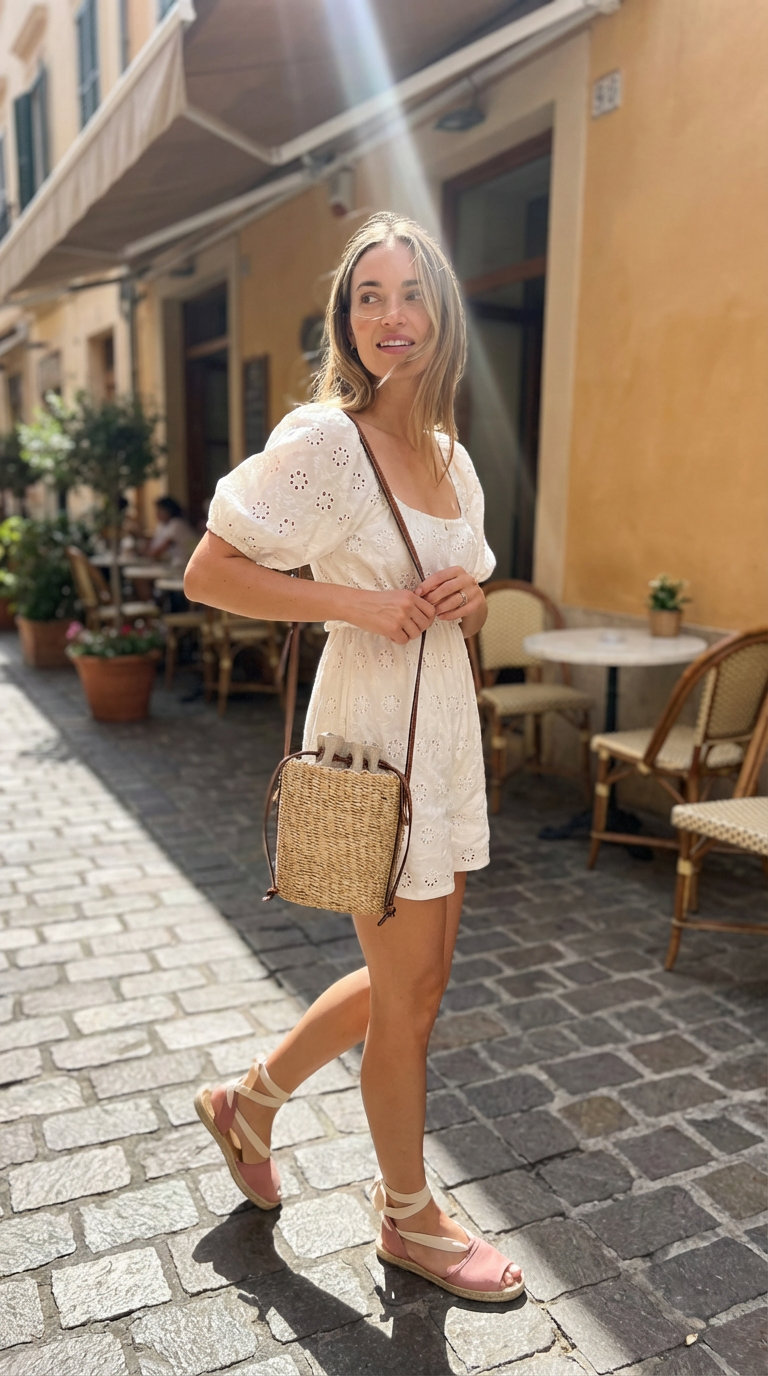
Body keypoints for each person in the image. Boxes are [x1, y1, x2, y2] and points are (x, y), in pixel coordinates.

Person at [184, 211, 524, 1303]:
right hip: (373, 741)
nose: (392, 315)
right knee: (411, 992)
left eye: (412, 293)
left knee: (407, 985)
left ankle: (251, 1100)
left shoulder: (456, 463)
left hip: (444, 742)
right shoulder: (326, 442)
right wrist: (357, 604)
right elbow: (212, 570)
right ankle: (409, 1215)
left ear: (442, 316)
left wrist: (467, 600)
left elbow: (459, 596)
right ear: (347, 319)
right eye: (369, 294)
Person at [145, 496, 198, 568]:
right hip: (173, 564)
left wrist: (147, 553)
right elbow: (153, 547)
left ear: (169, 510)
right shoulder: (162, 526)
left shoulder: (177, 524)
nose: (157, 513)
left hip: (184, 565)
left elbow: (159, 550)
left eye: (160, 510)